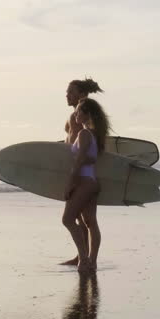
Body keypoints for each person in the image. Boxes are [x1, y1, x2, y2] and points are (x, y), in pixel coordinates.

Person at [62, 98, 109, 273]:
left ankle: (84, 259)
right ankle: (92, 261)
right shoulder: (92, 135)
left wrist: (70, 184)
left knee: (67, 219)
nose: (76, 113)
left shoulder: (83, 134)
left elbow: (81, 159)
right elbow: (91, 158)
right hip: (92, 183)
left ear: (87, 114)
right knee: (90, 223)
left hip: (83, 183)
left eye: (79, 111)